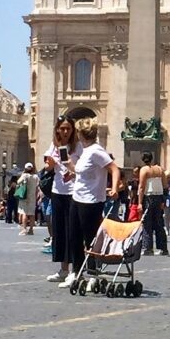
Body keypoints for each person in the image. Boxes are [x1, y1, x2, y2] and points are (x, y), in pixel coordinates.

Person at [64, 118, 120, 289]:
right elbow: (84, 173)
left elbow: (114, 168)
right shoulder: (86, 151)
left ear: (80, 134)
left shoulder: (96, 151)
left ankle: (93, 274)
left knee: (91, 239)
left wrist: (115, 187)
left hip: (92, 201)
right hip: (77, 198)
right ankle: (77, 272)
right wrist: (71, 170)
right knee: (74, 237)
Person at [44, 115, 82, 284]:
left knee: (73, 232)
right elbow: (47, 167)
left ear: (73, 130)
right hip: (57, 191)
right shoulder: (54, 145)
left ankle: (76, 270)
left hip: (74, 193)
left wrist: (73, 172)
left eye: (68, 128)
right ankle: (63, 269)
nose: (65, 131)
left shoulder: (78, 147)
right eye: (62, 128)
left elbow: (83, 168)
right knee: (59, 232)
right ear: (57, 129)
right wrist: (51, 163)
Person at [137, 151, 168, 255]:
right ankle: (163, 248)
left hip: (148, 197)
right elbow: (165, 185)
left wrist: (140, 203)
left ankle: (147, 247)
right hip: (159, 197)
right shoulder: (160, 169)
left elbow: (141, 187)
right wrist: (163, 200)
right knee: (159, 223)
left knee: (147, 223)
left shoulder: (144, 170)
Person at [15, 162, 40, 235]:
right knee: (32, 214)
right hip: (32, 197)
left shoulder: (24, 175)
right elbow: (38, 186)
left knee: (24, 213)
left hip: (24, 196)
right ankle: (31, 230)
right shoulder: (36, 176)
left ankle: (24, 229)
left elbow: (18, 182)